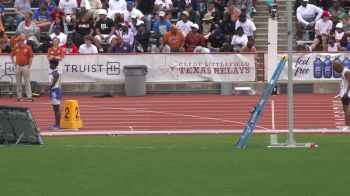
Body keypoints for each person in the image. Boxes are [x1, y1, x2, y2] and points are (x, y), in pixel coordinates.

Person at [10, 36, 34, 102]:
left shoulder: (28, 48)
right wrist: (14, 63)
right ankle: (19, 97)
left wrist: (29, 65)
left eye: (18, 41)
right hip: (18, 66)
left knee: (27, 82)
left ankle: (29, 97)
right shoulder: (16, 47)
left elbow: (31, 57)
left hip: (25, 66)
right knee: (18, 82)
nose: (17, 42)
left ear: (22, 41)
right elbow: (11, 55)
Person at [44, 58, 62, 130]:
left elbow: (53, 84)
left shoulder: (56, 74)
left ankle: (57, 125)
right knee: (55, 109)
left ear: (54, 65)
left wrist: (46, 90)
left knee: (57, 109)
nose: (50, 65)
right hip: (53, 91)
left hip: (55, 91)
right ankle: (56, 124)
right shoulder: (53, 72)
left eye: (51, 64)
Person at [333, 61, 350, 130]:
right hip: (344, 92)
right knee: (345, 109)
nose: (337, 72)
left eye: (336, 70)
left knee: (346, 109)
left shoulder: (347, 72)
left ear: (339, 67)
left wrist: (346, 92)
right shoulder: (343, 72)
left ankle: (347, 125)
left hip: (347, 92)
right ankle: (348, 125)